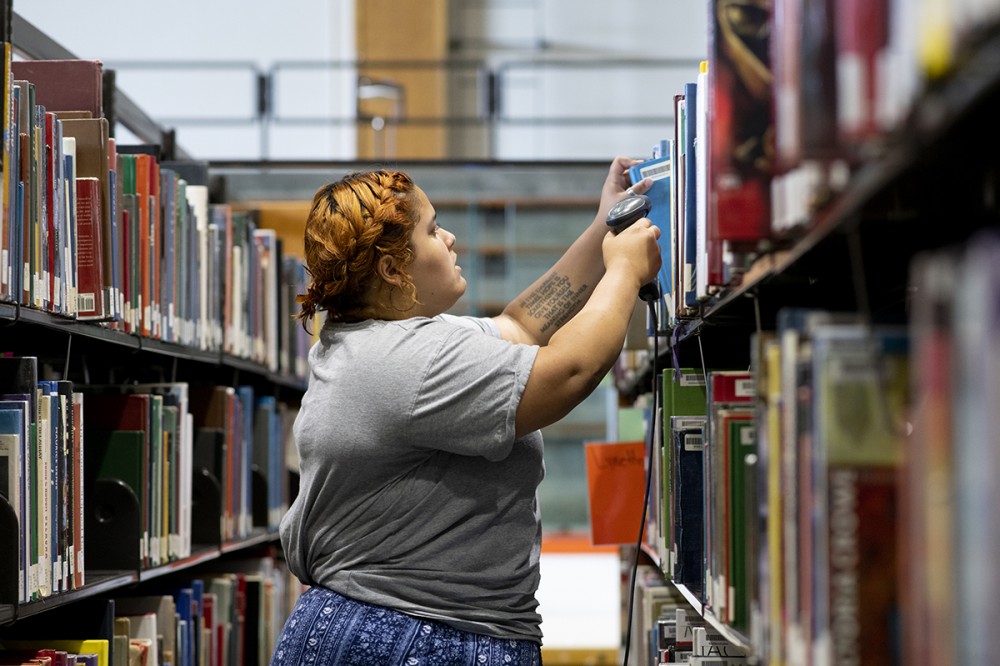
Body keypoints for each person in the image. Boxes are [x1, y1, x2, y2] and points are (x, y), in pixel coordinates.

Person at [271, 157, 661, 666]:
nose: (450, 238)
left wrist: (602, 225)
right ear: (393, 269)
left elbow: (523, 326)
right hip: (412, 637)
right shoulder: (404, 364)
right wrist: (626, 270)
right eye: (433, 230)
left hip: (405, 627)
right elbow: (570, 371)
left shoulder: (387, 343)